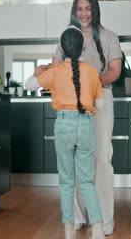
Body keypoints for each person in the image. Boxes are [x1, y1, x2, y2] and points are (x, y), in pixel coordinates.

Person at [50, 0, 123, 235]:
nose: (83, 14)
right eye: (79, 9)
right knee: (75, 161)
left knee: (101, 158)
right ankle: (79, 217)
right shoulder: (66, 37)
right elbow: (55, 67)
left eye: (88, 8)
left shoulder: (109, 37)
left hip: (101, 101)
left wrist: (93, 81)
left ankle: (103, 220)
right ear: (74, 11)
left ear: (95, 10)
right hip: (73, 105)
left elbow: (115, 70)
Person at [25, 26, 106, 239]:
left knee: (66, 181)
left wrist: (36, 73)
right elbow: (101, 102)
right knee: (87, 181)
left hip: (63, 127)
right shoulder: (91, 71)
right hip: (86, 126)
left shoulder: (54, 71)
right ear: (84, 46)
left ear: (61, 48)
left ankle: (69, 230)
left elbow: (29, 85)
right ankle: (97, 227)